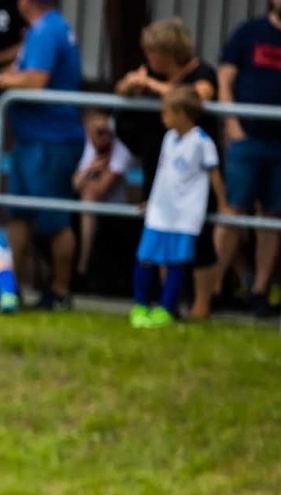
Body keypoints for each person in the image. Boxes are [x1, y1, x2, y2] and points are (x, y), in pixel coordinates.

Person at [0, 0, 83, 311]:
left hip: (51, 138)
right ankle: (10, 287)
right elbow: (20, 70)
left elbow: (35, 79)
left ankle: (59, 291)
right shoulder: (40, 29)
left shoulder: (47, 29)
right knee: (18, 215)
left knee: (54, 218)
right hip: (30, 138)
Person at [114, 18, 219, 318]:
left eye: (155, 53)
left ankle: (202, 304)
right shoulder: (148, 73)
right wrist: (130, 84)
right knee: (159, 233)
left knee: (199, 239)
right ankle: (165, 303)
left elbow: (199, 96)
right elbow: (121, 89)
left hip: (194, 169)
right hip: (160, 164)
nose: (149, 60)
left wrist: (152, 86)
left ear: (171, 52)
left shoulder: (202, 73)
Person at [214, 0, 281, 318]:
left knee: (273, 216)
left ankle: (260, 291)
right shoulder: (249, 33)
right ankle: (213, 287)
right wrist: (233, 125)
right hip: (248, 138)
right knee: (233, 209)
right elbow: (225, 81)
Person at [131, 87, 228, 329]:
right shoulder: (168, 138)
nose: (163, 117)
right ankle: (141, 305)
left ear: (182, 114)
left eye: (167, 112)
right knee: (145, 258)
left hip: (185, 215)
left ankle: (166, 308)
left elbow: (214, 174)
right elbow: (164, 173)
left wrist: (223, 204)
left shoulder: (202, 142)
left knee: (176, 262)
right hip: (159, 212)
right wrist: (152, 200)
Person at [71, 109, 133, 277]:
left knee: (89, 197)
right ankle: (81, 267)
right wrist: (91, 170)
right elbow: (75, 185)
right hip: (84, 212)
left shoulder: (120, 150)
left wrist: (87, 178)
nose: (104, 137)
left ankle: (83, 265)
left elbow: (99, 190)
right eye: (98, 132)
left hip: (113, 217)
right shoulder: (84, 145)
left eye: (107, 131)